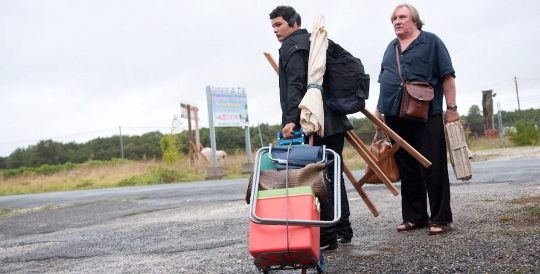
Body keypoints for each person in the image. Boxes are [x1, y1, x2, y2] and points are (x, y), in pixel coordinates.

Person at [269, 5, 354, 250]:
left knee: (317, 177)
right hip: (334, 120)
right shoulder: (316, 40)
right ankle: (342, 230)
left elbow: (295, 84)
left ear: (294, 23)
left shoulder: (292, 47)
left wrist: (290, 119)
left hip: (312, 121)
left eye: (279, 25)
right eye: (273, 26)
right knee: (332, 174)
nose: (275, 30)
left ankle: (327, 237)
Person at [376, 3, 460, 235]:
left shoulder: (432, 41)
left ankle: (441, 218)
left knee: (433, 166)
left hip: (427, 115)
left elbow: (447, 77)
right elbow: (385, 80)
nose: (397, 21)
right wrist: (379, 110)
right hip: (394, 115)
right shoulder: (390, 47)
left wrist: (451, 108)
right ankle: (415, 217)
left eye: (402, 17)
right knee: (407, 168)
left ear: (415, 20)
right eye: (394, 18)